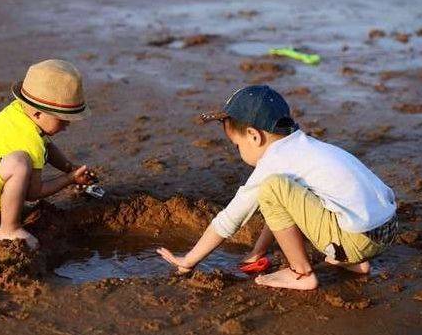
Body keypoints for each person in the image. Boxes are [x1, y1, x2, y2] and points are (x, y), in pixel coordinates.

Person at [157, 85, 398, 290]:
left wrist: (189, 259)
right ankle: (353, 260)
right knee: (286, 193)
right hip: (385, 229)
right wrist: (257, 251)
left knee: (272, 188)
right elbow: (286, 211)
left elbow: (230, 219)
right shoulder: (307, 147)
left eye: (236, 145)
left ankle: (301, 273)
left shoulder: (273, 163)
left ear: (254, 136)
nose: (238, 151)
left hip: (357, 239)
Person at [0, 59, 96, 249]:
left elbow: (47, 148)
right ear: (37, 113)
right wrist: (69, 178)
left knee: (20, 161)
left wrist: (70, 167)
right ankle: (9, 229)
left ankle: (10, 208)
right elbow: (35, 193)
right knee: (19, 163)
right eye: (63, 120)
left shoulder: (20, 113)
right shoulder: (30, 140)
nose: (67, 125)